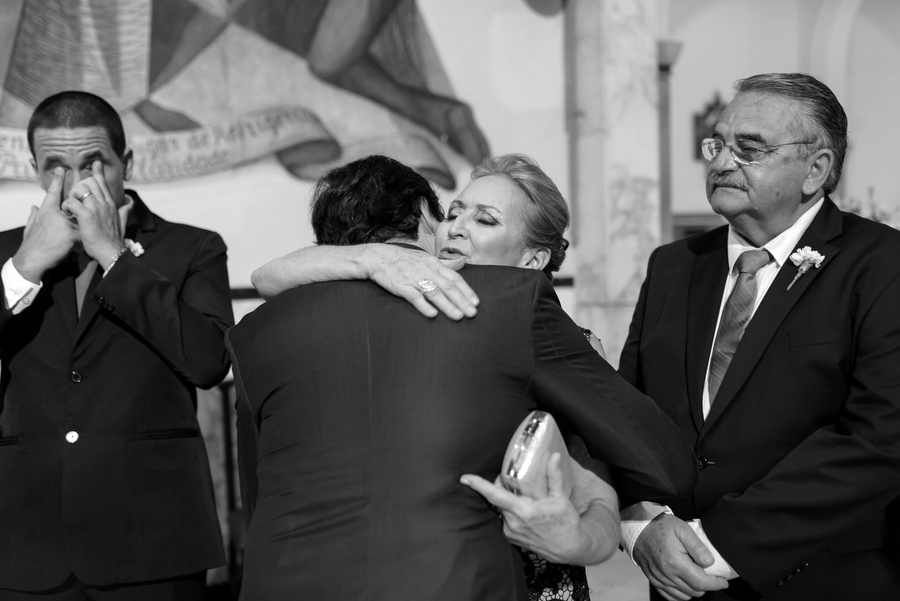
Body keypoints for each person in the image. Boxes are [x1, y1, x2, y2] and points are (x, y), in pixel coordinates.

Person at [229, 154, 697, 600]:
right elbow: (656, 458)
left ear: (536, 259)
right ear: (423, 220)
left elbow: (259, 494)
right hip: (458, 576)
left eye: (484, 219)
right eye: (452, 214)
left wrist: (591, 534)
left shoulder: (256, 330)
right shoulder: (508, 308)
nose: (455, 230)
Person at [617, 72, 900, 601]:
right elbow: (625, 415)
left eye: (750, 148)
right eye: (717, 143)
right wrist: (640, 526)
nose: (723, 162)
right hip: (677, 581)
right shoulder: (674, 265)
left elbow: (879, 438)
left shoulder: (882, 265)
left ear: (816, 170)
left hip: (822, 579)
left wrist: (716, 544)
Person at [0, 91, 233, 599]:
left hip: (151, 538)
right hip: (27, 541)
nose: (76, 182)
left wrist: (111, 254)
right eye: (55, 166)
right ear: (36, 170)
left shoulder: (193, 246)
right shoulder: (7, 251)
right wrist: (25, 267)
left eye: (93, 163)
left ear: (125, 163)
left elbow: (210, 361)